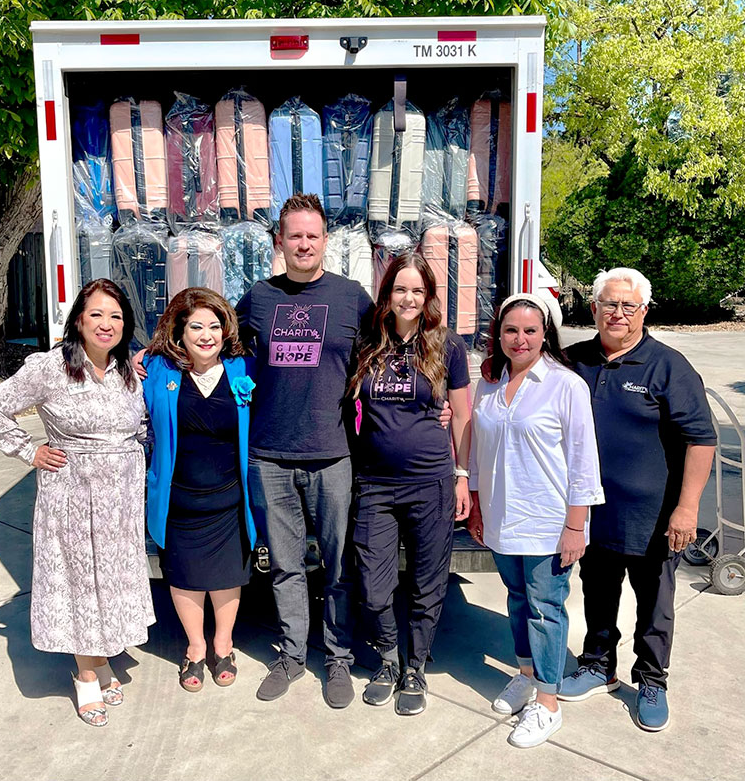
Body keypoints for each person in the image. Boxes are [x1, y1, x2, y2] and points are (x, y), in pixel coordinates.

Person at [0, 278, 154, 728]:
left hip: (121, 498)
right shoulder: (50, 367)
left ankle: (99, 658)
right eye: (96, 314)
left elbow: (137, 429)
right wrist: (29, 450)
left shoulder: (125, 370)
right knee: (83, 580)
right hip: (74, 495)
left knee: (110, 579)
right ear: (78, 318)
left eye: (115, 316)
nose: (106, 324)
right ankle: (85, 674)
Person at [558, 268, 716, 732]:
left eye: (629, 306)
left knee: (654, 604)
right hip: (593, 513)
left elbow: (701, 440)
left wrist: (686, 509)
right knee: (597, 593)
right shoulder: (574, 360)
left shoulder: (669, 366)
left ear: (644, 311)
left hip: (653, 518)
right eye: (609, 304)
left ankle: (651, 679)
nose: (618, 314)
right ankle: (597, 665)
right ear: (593, 309)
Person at [235, 193, 374, 708]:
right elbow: (208, 334)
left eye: (312, 235)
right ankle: (294, 652)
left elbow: (394, 347)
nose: (304, 244)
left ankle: (337, 657)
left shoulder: (352, 297)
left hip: (333, 454)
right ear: (280, 242)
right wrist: (152, 352)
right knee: (287, 565)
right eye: (294, 235)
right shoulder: (259, 297)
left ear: (325, 241)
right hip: (269, 455)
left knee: (338, 566)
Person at [467, 293, 605, 748]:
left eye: (530, 330)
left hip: (549, 521)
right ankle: (526, 675)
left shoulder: (566, 385)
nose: (520, 338)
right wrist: (477, 501)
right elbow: (480, 447)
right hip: (503, 516)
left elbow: (584, 461)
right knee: (517, 600)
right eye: (511, 330)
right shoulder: (489, 382)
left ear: (545, 333)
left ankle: (548, 702)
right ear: (498, 335)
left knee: (546, 609)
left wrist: (575, 524)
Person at [349, 252, 471, 716]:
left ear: (429, 296)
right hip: (375, 484)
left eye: (417, 290)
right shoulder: (367, 342)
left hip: (431, 481)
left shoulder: (447, 345)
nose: (409, 298)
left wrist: (463, 475)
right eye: (400, 289)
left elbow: (462, 416)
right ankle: (386, 658)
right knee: (375, 585)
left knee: (427, 581)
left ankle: (414, 666)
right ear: (387, 294)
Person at [141, 288, 257, 692]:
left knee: (228, 574)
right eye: (196, 326)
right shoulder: (157, 369)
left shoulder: (242, 368)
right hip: (179, 500)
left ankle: (222, 645)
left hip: (229, 499)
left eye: (214, 326)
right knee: (186, 575)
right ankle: (194, 647)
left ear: (226, 331)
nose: (207, 335)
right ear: (179, 331)